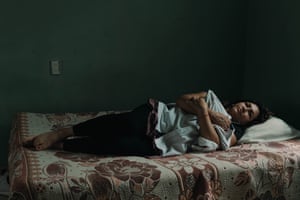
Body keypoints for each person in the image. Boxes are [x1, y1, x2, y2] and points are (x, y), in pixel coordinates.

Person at [23, 90, 271, 157]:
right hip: (159, 116)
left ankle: (66, 147)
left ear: (247, 121)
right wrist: (206, 106)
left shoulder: (233, 133)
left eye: (249, 112)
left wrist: (204, 113)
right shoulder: (213, 97)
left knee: (118, 146)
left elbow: (210, 141)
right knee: (124, 123)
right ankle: (63, 132)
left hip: (164, 144)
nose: (244, 109)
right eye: (246, 104)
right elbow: (182, 100)